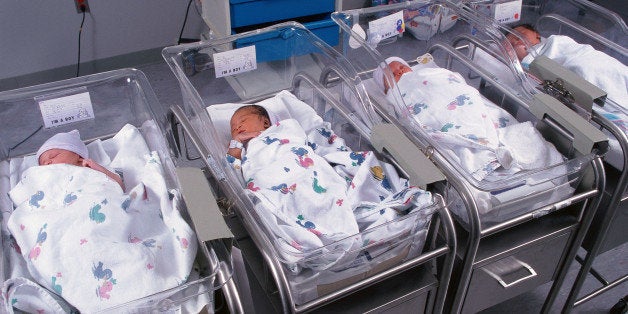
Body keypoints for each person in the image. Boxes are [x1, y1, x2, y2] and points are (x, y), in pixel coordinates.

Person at [506, 24, 628, 106]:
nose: (516, 40)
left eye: (521, 33)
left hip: (591, 61)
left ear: (537, 35)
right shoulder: (526, 62)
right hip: (577, 74)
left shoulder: (556, 42)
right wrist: (523, 57)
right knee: (582, 73)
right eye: (511, 42)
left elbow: (580, 55)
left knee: (590, 68)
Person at [36, 129, 125, 190]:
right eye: (42, 163)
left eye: (53, 156)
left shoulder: (92, 170)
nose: (47, 163)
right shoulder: (44, 180)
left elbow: (120, 186)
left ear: (78, 155)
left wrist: (98, 168)